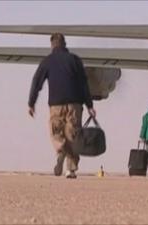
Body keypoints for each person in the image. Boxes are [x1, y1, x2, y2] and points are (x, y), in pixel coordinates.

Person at [28, 33, 96, 179]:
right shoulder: (75, 60)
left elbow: (36, 81)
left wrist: (31, 103)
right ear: (65, 44)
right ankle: (70, 169)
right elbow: (84, 83)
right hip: (75, 103)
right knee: (74, 134)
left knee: (56, 132)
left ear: (52, 45)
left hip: (56, 103)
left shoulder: (47, 61)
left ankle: (61, 149)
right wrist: (89, 104)